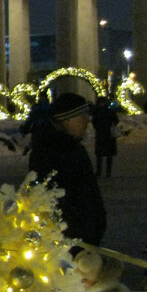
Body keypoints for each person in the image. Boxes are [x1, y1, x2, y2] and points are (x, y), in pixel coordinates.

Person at [29, 92, 106, 247]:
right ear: (67, 119)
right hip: (69, 241)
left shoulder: (72, 146)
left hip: (82, 235)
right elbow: (52, 197)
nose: (87, 121)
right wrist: (79, 228)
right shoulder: (51, 151)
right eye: (82, 116)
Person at [90, 95, 119, 178]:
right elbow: (116, 120)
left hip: (101, 134)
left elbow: (94, 121)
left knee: (100, 154)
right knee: (109, 155)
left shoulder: (97, 111)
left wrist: (98, 127)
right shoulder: (110, 111)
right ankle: (108, 172)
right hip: (109, 134)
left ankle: (99, 171)